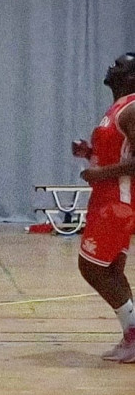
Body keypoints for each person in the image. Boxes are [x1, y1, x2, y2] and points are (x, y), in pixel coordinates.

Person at [73, 52, 135, 362]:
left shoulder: (132, 108)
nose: (111, 67)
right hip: (107, 198)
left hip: (118, 201)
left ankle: (134, 333)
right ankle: (131, 336)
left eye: (119, 65)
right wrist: (89, 153)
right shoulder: (117, 108)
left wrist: (99, 174)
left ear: (131, 77)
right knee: (111, 270)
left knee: (92, 268)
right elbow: (119, 155)